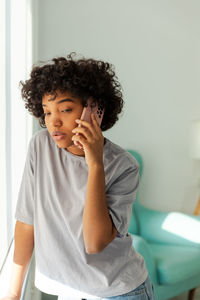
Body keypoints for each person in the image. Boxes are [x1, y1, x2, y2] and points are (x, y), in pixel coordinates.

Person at [2, 53, 154, 300]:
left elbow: (94, 242)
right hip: (68, 291)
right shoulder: (41, 147)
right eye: (47, 112)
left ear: (94, 108)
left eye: (65, 109)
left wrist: (94, 164)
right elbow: (26, 222)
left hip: (118, 292)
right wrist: (13, 292)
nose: (54, 123)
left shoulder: (123, 166)